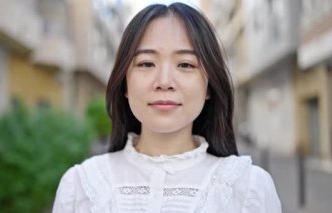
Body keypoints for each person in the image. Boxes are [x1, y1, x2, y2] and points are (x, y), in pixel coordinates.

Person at [52, 2, 281, 213]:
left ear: (209, 86)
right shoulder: (80, 187)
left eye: (185, 64)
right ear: (125, 84)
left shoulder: (248, 189)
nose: (164, 81)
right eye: (146, 63)